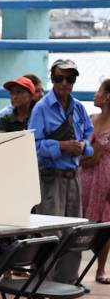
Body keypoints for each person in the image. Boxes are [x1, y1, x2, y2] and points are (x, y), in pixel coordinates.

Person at [30, 59, 94, 283]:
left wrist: (82, 146)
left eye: (70, 78)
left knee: (74, 231)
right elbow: (34, 144)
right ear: (52, 79)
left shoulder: (78, 108)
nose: (64, 83)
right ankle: (44, 282)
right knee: (49, 232)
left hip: (73, 177)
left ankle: (67, 281)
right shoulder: (42, 108)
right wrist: (62, 146)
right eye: (59, 78)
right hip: (51, 177)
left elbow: (89, 137)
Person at [80, 79, 110, 284]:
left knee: (105, 223)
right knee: (81, 221)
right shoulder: (90, 118)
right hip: (86, 178)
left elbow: (94, 155)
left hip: (105, 179)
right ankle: (74, 268)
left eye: (99, 90)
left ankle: (100, 269)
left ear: (107, 96)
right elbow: (84, 155)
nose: (95, 93)